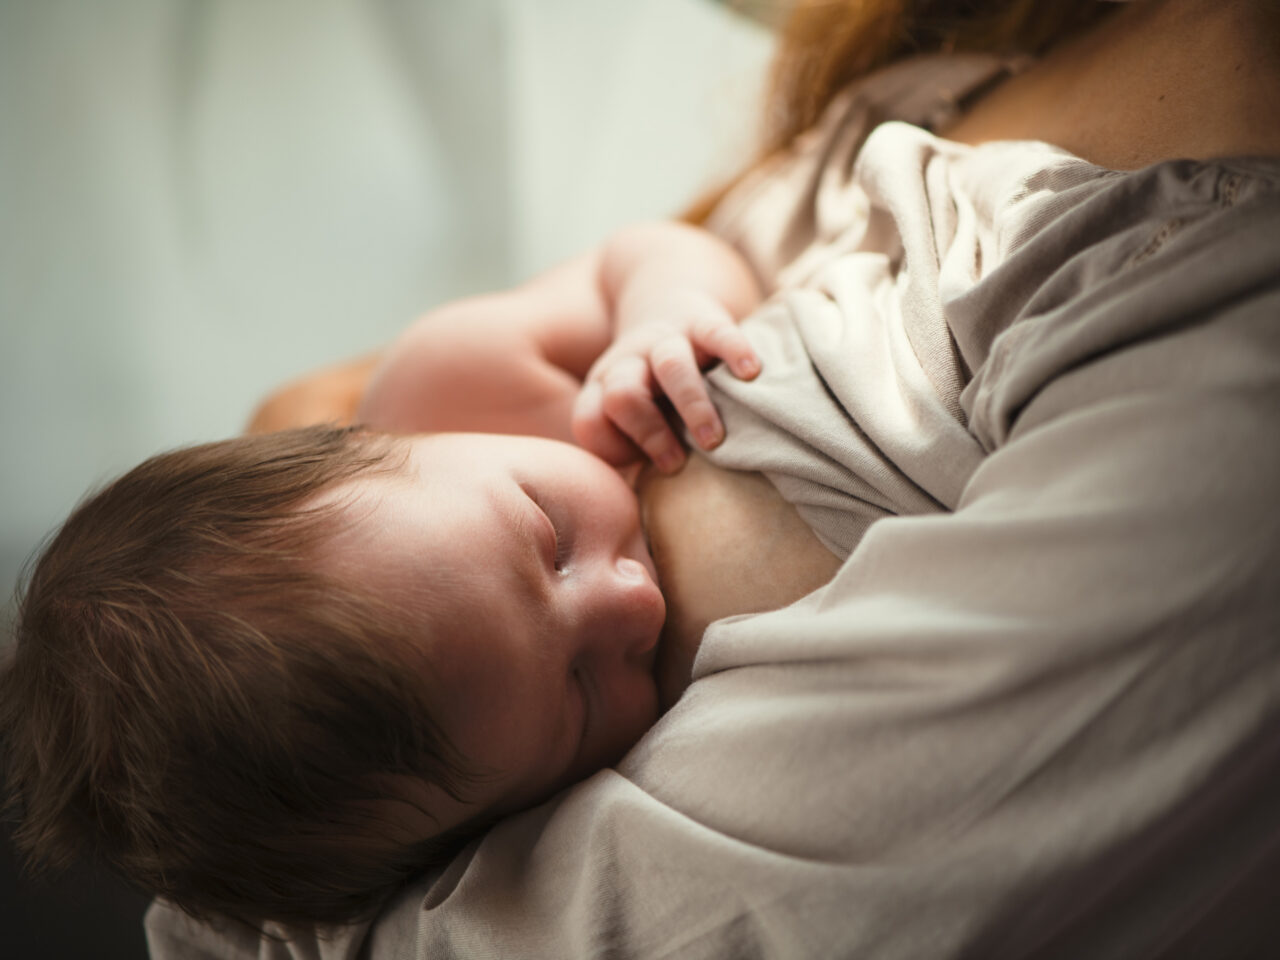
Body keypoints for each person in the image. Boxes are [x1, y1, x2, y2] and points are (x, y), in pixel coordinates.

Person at [0, 220, 845, 928]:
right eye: (580, 693)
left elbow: (643, 251)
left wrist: (661, 314)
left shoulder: (457, 374)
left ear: (374, 442)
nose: (632, 600)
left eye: (547, 540)